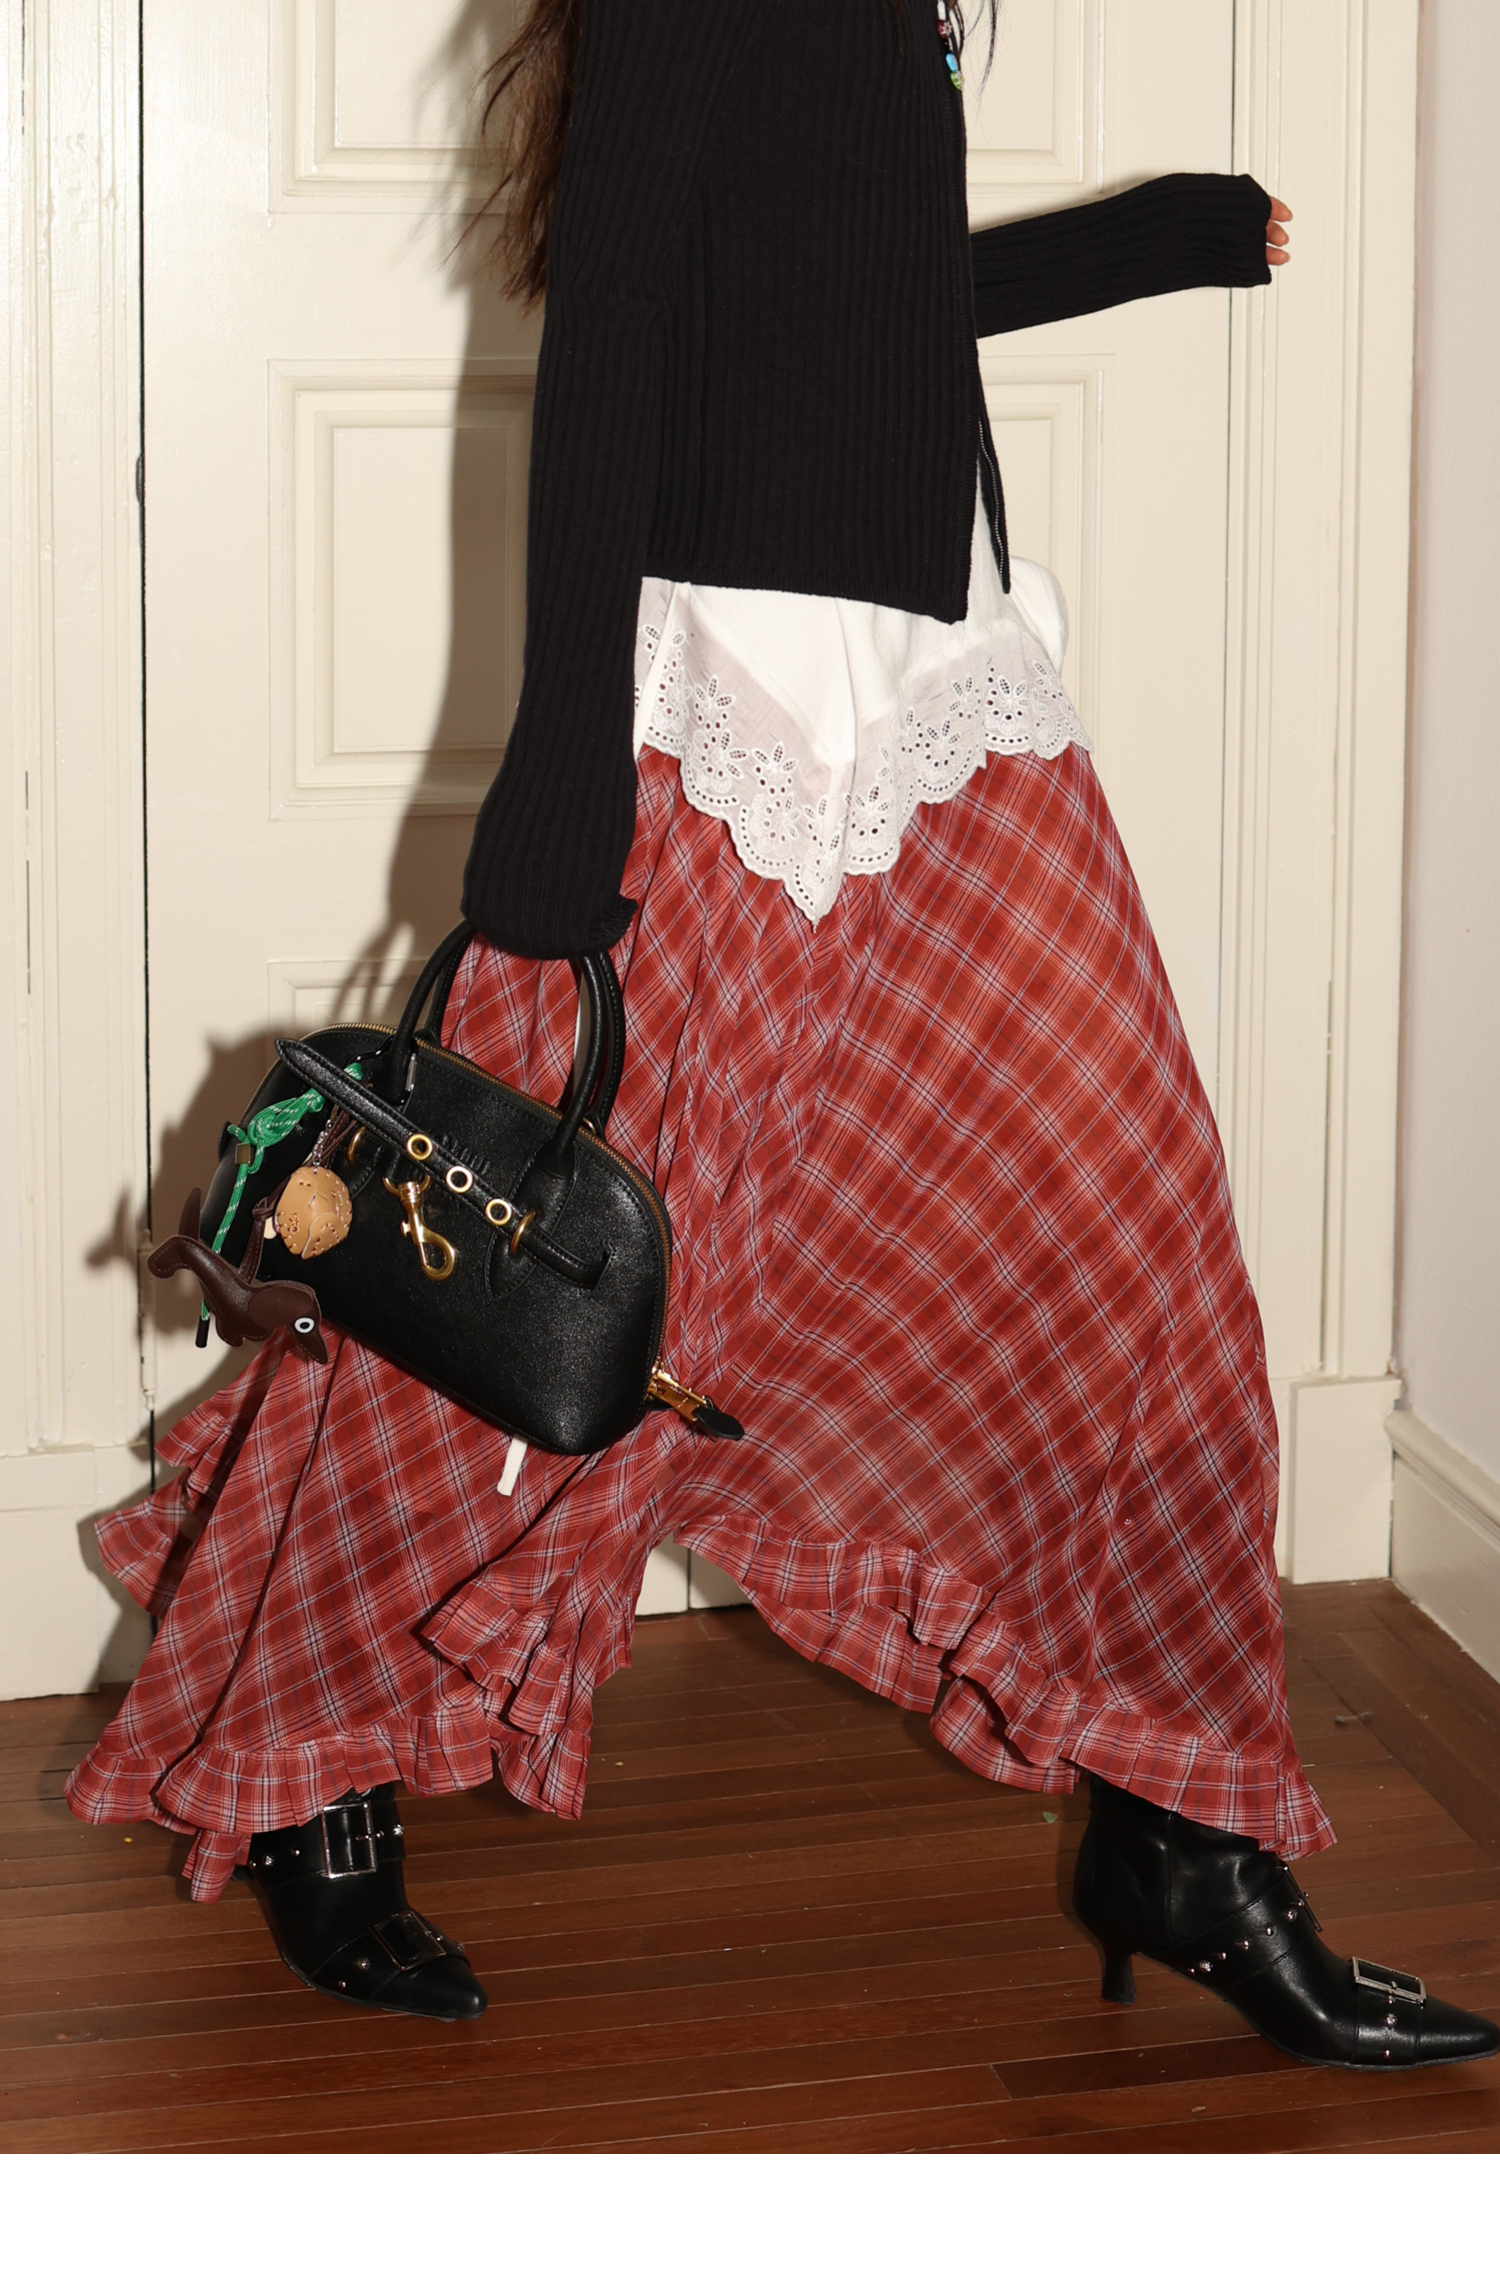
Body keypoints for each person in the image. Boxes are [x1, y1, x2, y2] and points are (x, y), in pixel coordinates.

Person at [68, 0, 1498, 2070]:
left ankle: (1188, 1844)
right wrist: (565, 773)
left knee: (1142, 1253)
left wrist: (1141, 240)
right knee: (506, 1294)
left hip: (946, 690)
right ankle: (308, 1766)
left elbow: (845, 293)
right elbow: (618, 325)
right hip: (733, 716)